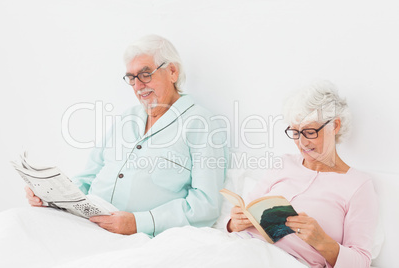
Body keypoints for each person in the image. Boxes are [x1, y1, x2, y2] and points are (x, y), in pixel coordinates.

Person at [26, 34, 228, 237]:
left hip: (134, 238)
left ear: (173, 71)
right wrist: (52, 196)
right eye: (131, 78)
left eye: (145, 74)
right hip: (85, 223)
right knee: (18, 223)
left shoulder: (201, 125)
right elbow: (88, 177)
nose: (138, 86)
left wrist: (138, 223)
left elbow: (206, 205)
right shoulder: (127, 117)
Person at [226, 81, 378, 267]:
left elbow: (361, 261)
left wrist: (322, 241)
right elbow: (244, 211)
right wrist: (234, 223)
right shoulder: (283, 163)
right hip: (242, 248)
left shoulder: (358, 185)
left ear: (335, 126)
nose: (301, 143)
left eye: (309, 132)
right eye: (295, 132)